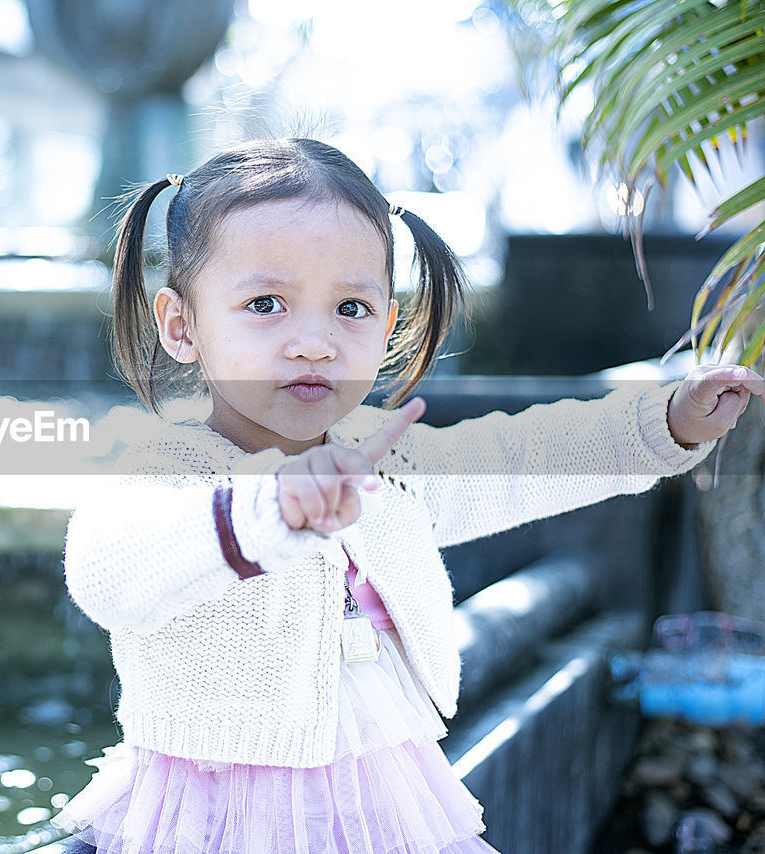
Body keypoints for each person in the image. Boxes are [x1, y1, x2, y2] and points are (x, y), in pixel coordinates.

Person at [48, 137, 765, 854]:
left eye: (350, 308)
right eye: (266, 303)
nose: (314, 342)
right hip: (215, 817)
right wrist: (265, 512)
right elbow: (108, 568)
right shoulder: (174, 469)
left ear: (388, 324)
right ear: (182, 327)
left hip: (381, 806)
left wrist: (665, 422)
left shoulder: (385, 462)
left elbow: (522, 457)